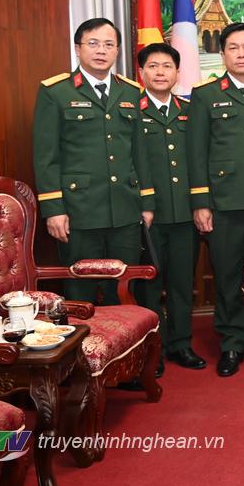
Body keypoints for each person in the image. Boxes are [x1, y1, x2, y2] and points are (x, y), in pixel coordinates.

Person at [33, 17, 153, 304]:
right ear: (78, 49)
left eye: (109, 44)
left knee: (124, 290)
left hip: (124, 209)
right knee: (80, 291)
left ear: (117, 51)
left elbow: (139, 152)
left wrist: (147, 202)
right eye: (94, 43)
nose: (101, 50)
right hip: (79, 211)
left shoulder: (130, 91)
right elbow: (46, 156)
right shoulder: (56, 92)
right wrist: (54, 210)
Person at [187, 22, 244, 377]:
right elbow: (196, 152)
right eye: (233, 48)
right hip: (223, 204)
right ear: (222, 54)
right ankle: (232, 342)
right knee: (226, 277)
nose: (241, 54)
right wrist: (201, 202)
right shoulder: (206, 95)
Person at [135, 42, 206, 372]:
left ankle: (181, 344)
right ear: (141, 73)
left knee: (181, 284)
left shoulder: (189, 111)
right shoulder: (131, 111)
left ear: (178, 72)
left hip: (184, 215)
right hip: (149, 215)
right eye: (153, 66)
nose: (160, 72)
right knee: (149, 286)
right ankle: (154, 350)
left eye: (167, 66)